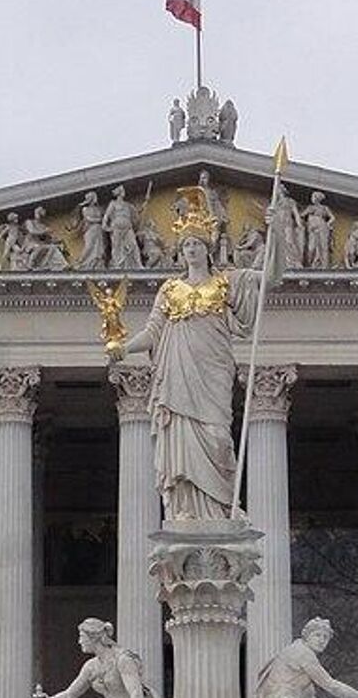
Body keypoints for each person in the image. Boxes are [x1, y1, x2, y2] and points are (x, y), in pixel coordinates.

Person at [108, 185, 290, 520]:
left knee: (218, 438)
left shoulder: (227, 282)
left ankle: (221, 509)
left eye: (197, 244)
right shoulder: (169, 290)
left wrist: (276, 232)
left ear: (208, 248)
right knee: (180, 445)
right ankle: (185, 511)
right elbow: (153, 332)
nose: (191, 249)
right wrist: (124, 348)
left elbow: (272, 278)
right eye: (186, 245)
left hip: (212, 373)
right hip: (177, 377)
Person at [37, 618, 157, 698]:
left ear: (94, 638)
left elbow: (136, 694)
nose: (79, 641)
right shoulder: (91, 666)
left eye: (82, 637)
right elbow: (70, 694)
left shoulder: (123, 660)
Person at [253, 618, 358, 698]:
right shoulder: (303, 653)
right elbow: (331, 685)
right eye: (317, 635)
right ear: (307, 636)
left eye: (325, 637)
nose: (321, 640)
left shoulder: (296, 648)